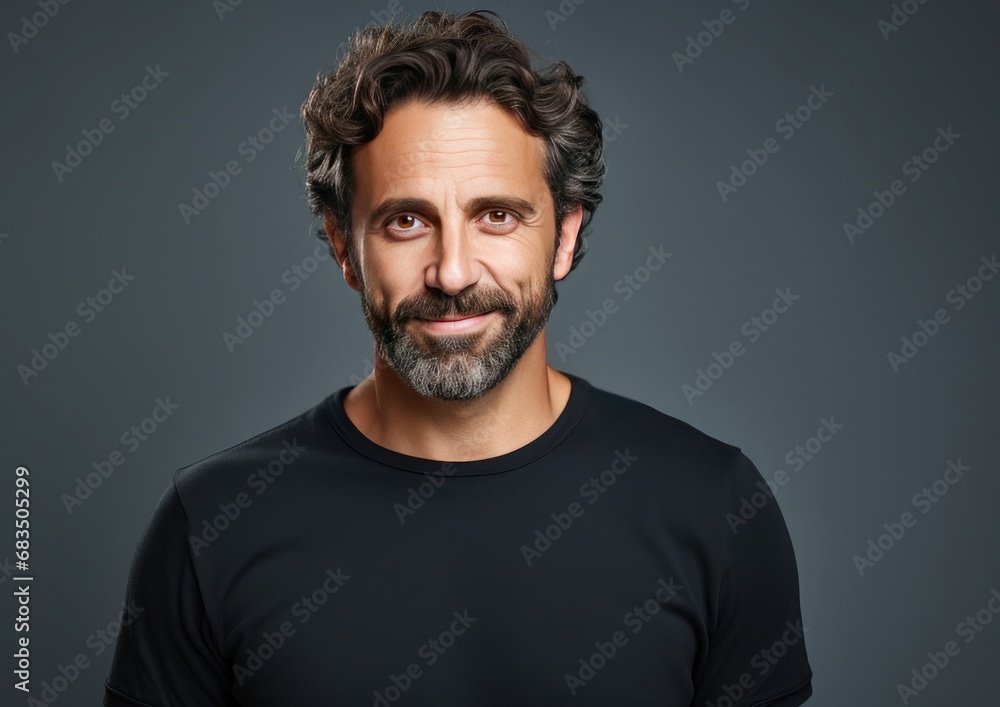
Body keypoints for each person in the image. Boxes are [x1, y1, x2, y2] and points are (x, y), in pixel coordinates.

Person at [104, 9, 812, 706]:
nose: (452, 272)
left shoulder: (715, 504)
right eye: (406, 220)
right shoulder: (213, 523)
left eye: (496, 215)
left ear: (564, 237)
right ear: (344, 246)